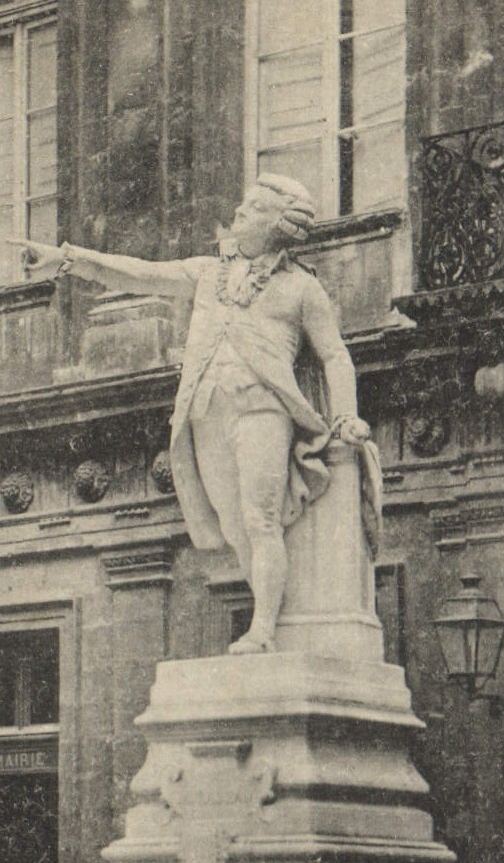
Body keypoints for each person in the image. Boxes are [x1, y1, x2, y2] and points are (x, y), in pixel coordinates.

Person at [20, 177, 373, 654]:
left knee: (260, 517)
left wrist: (347, 415)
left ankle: (265, 629)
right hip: (207, 412)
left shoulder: (301, 288)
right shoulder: (209, 273)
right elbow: (139, 274)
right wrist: (68, 259)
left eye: (252, 208)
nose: (239, 212)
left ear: (277, 224)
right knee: (233, 524)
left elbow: (335, 356)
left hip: (262, 409)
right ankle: (272, 616)